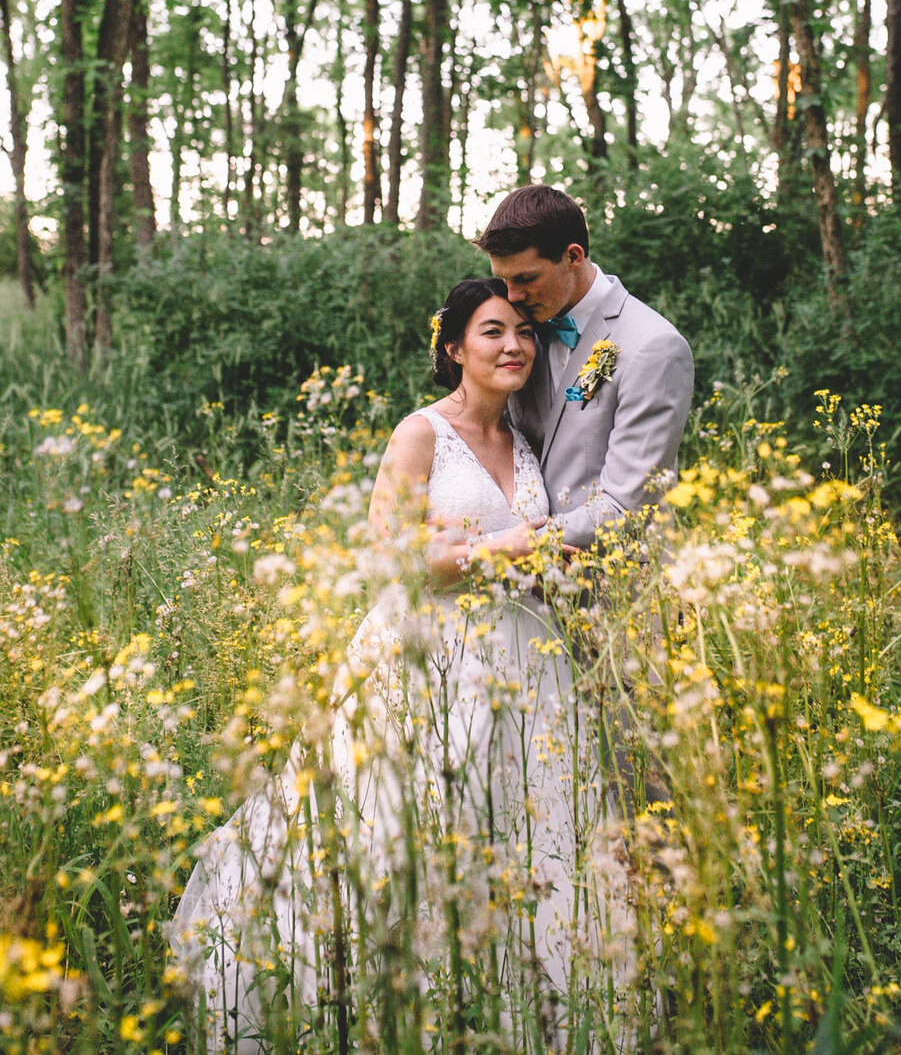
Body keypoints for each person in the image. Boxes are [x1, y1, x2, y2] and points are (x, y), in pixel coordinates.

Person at [167, 279, 612, 1052]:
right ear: (453, 348)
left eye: (525, 333)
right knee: (405, 830)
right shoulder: (420, 435)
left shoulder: (529, 441)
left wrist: (535, 566)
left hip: (528, 662)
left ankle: (516, 1010)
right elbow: (391, 561)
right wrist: (501, 550)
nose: (514, 346)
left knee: (521, 832)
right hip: (427, 660)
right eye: (492, 332)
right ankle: (389, 1006)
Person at [478, 185, 695, 552]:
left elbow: (626, 506)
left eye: (525, 279)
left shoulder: (653, 346)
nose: (512, 295)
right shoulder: (523, 334)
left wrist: (496, 547)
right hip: (530, 595)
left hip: (619, 588)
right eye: (504, 280)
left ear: (573, 256)